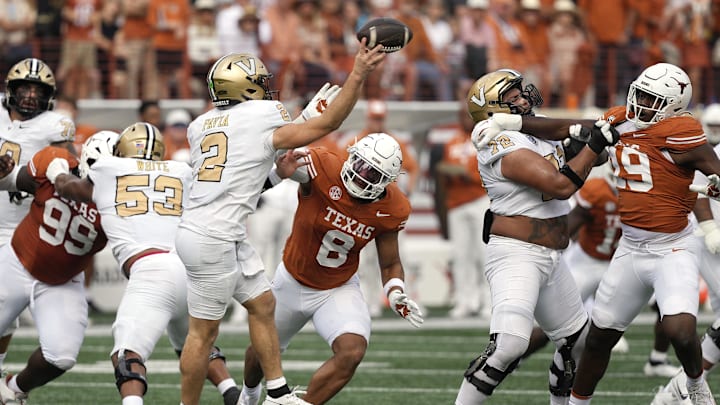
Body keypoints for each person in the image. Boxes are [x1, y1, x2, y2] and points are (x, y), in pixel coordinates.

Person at [475, 62, 719, 404]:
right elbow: (568, 127)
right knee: (597, 339)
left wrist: (713, 184)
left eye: (651, 100)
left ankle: (694, 383)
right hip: (630, 248)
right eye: (640, 95)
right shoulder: (621, 118)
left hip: (672, 247)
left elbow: (712, 168)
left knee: (680, 329)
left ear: (673, 108)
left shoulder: (682, 131)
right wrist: (510, 121)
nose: (641, 105)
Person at [175, 43, 385, 405]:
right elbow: (328, 124)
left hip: (212, 228)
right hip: (213, 237)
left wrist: (275, 176)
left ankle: (276, 392)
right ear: (244, 87)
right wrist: (358, 75)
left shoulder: (199, 126)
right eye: (258, 82)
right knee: (203, 334)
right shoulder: (263, 113)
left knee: (263, 305)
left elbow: (235, 182)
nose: (266, 88)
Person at [50, 126, 263, 405]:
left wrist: (56, 171)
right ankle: (232, 394)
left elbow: (70, 188)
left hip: (152, 271)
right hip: (190, 270)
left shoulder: (106, 168)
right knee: (193, 343)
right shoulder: (181, 170)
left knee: (127, 355)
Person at [454, 68, 618, 405]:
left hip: (552, 257)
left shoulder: (530, 125)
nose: (523, 100)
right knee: (509, 346)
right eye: (512, 99)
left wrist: (585, 143)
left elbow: (588, 146)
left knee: (579, 343)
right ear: (492, 113)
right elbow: (560, 187)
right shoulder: (496, 138)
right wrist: (589, 147)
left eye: (520, 93)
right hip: (517, 254)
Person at [241, 132, 423, 405]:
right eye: (361, 165)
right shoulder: (322, 166)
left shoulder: (393, 207)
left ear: (388, 181)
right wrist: (284, 171)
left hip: (337, 289)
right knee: (259, 351)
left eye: (373, 174)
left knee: (352, 352)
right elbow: (290, 171)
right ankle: (248, 396)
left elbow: (390, 262)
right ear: (351, 156)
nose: (363, 176)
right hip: (291, 280)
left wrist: (395, 292)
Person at [0, 145, 106, 404]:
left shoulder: (118, 201)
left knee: (62, 355)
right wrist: (4, 174)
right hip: (17, 261)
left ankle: (12, 390)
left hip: (62, 282)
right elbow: (14, 181)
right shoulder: (55, 161)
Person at [0, 57, 76, 379]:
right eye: (24, 88)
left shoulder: (54, 126)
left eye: (37, 90)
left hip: (18, 226)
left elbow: (67, 169)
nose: (31, 95)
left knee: (7, 312)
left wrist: (25, 179)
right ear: (10, 90)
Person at [434, 107, 490, 319]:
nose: (464, 120)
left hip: (479, 199)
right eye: (461, 116)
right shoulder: (452, 142)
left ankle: (488, 302)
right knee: (460, 255)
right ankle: (464, 301)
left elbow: (489, 172)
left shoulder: (485, 139)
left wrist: (467, 175)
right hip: (456, 202)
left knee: (483, 254)